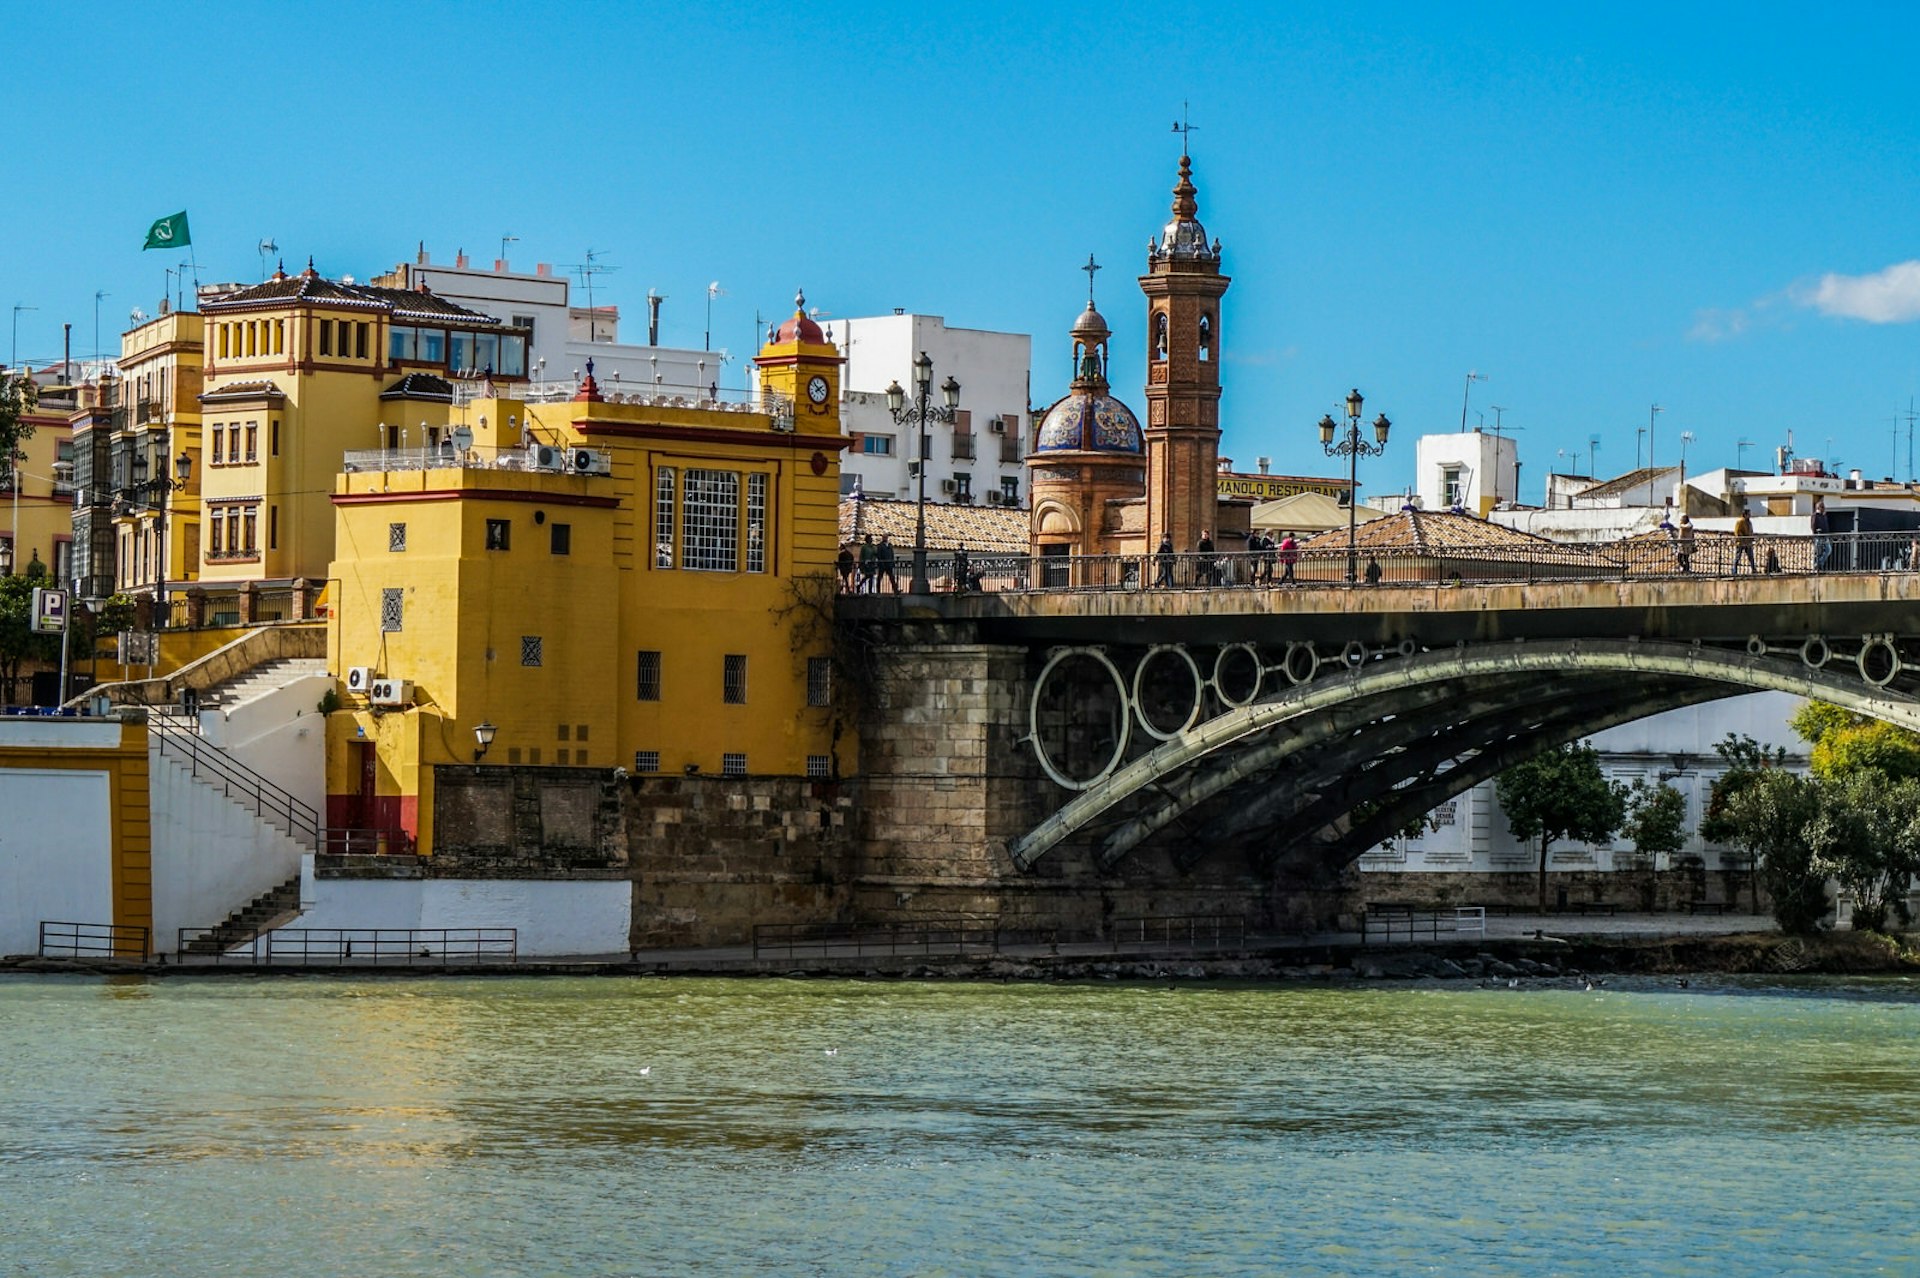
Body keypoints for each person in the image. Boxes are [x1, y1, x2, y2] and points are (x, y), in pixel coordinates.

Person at [1732, 509, 1756, 574]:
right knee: (1737, 557)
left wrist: (1751, 538)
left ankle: (1754, 570)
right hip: (1741, 543)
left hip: (1748, 543)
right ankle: (1734, 571)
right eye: (1749, 514)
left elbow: (1751, 531)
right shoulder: (1740, 521)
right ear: (1745, 514)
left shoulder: (1749, 522)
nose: (1750, 515)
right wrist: (1742, 538)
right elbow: (1737, 532)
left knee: (1751, 557)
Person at [1811, 498, 1831, 571]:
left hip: (1825, 536)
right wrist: (1816, 533)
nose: (1824, 508)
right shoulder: (1815, 515)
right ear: (1819, 507)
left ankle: (1819, 563)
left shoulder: (1824, 516)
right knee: (1818, 552)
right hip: (1818, 536)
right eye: (1822, 507)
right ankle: (1816, 566)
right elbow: (1813, 526)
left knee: (1828, 550)